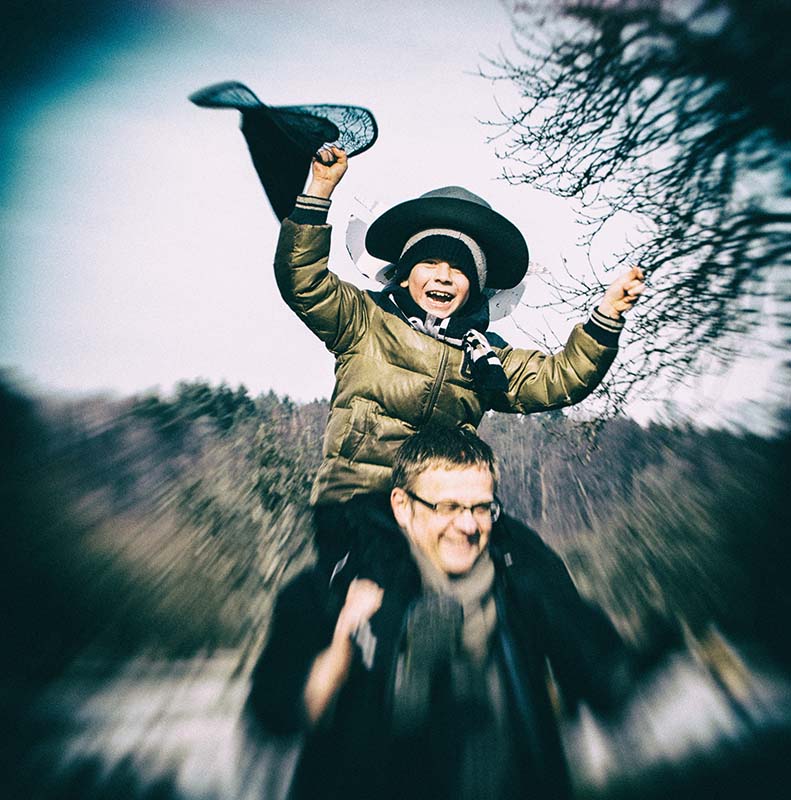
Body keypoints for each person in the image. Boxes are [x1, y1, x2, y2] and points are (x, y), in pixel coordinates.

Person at [276, 145, 645, 567]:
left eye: (460, 269)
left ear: (476, 287)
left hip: (447, 508)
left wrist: (607, 317)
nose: (444, 277)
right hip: (359, 500)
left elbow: (562, 379)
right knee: (383, 570)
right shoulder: (364, 319)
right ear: (405, 274)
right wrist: (320, 189)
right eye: (430, 262)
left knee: (535, 566)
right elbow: (303, 281)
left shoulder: (487, 356)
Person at [247, 426, 636, 800]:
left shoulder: (522, 581)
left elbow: (606, 678)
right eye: (447, 507)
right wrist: (339, 653)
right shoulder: (335, 587)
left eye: (481, 508)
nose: (467, 525)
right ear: (402, 506)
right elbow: (275, 713)